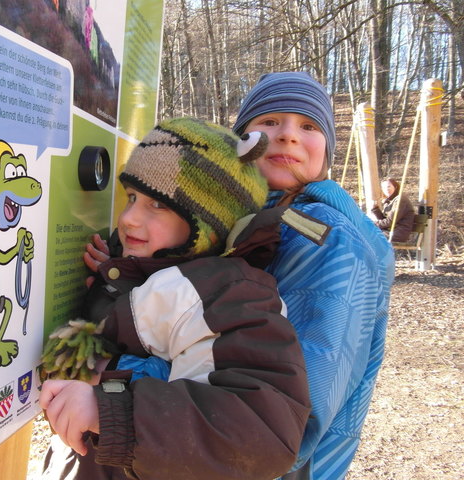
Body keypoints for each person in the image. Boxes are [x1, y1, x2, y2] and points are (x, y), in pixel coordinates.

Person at [39, 117, 317, 480]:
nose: (129, 220)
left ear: (208, 223)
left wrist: (107, 411)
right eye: (133, 198)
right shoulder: (148, 273)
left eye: (158, 206)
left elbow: (263, 431)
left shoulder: (232, 294)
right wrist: (114, 277)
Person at [229, 71, 396, 479]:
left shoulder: (326, 236)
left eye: (308, 126)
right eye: (269, 121)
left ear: (326, 152)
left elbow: (300, 399)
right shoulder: (251, 217)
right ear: (240, 140)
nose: (287, 135)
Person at [371, 177, 416, 242]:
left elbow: (390, 221)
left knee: (369, 235)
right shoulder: (390, 201)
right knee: (367, 233)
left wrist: (373, 224)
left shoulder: (400, 200)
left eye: (389, 186)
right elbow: (385, 220)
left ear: (395, 186)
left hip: (399, 233)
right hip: (390, 230)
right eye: (384, 188)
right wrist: (375, 209)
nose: (386, 189)